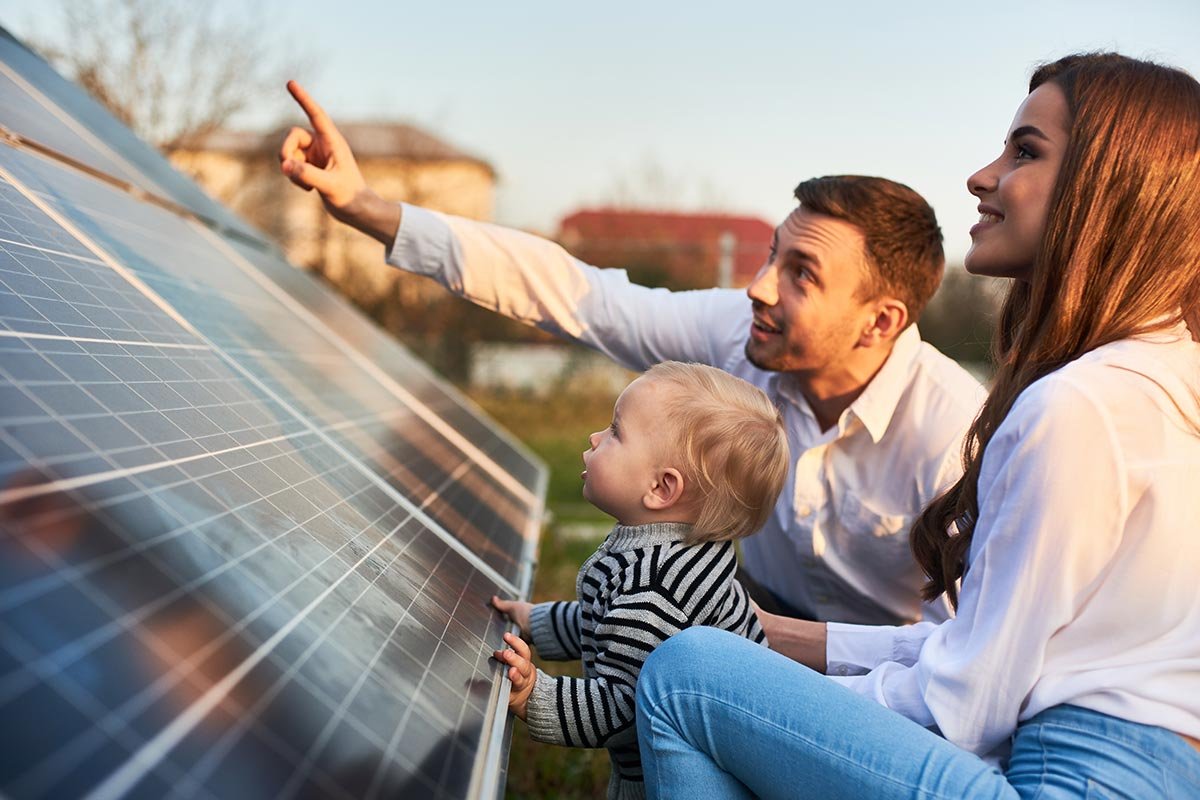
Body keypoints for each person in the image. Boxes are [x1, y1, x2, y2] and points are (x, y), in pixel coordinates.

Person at [634, 52, 1200, 799]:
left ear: (1109, 190)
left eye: (1025, 151)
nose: (981, 176)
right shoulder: (1165, 376)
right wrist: (775, 643)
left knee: (687, 677)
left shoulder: (1078, 406)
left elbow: (965, 703)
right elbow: (984, 647)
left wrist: (766, 704)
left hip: (1067, 779)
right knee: (720, 663)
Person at [279, 84, 987, 627]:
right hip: (756, 617)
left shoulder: (955, 435)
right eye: (773, 254)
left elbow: (963, 659)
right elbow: (576, 294)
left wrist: (762, 644)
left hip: (890, 684)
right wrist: (368, 207)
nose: (759, 285)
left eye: (802, 273)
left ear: (880, 321)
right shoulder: (741, 335)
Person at [488, 361, 788, 800]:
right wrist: (539, 621)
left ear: (662, 490)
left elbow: (623, 707)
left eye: (614, 432)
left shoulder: (656, 590)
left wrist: (536, 696)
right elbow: (610, 623)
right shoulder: (674, 549)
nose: (595, 438)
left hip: (671, 777)